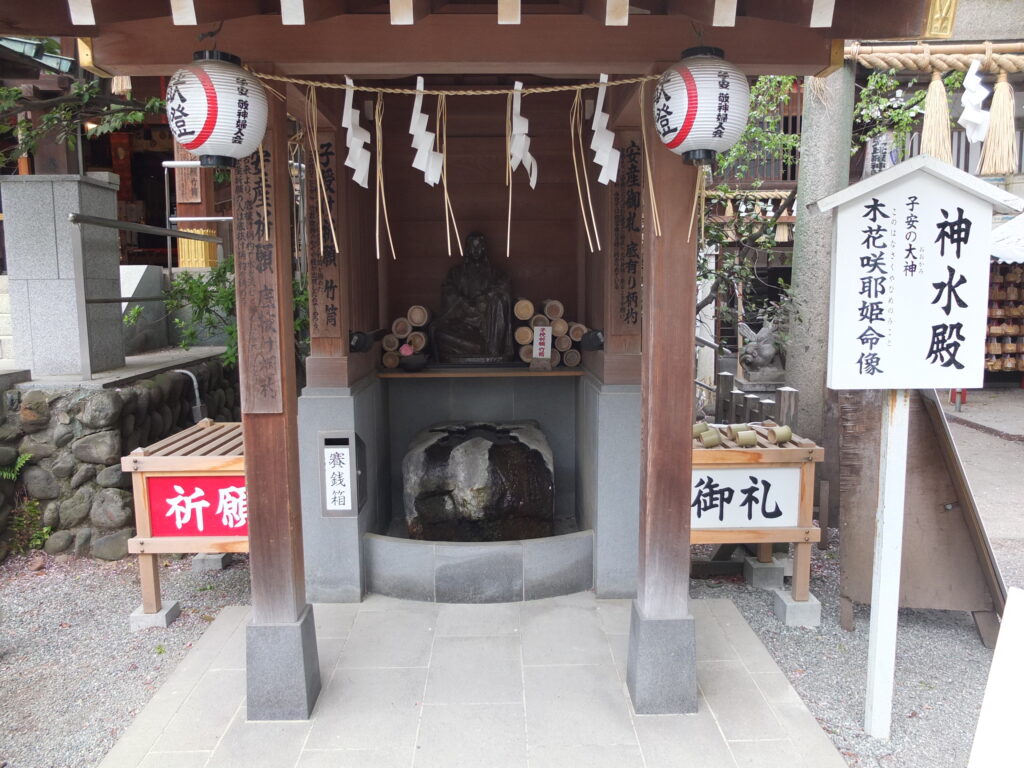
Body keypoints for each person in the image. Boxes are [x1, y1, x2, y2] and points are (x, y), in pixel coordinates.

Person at [432, 232, 514, 363]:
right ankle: (476, 348)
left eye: (479, 246)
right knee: (438, 334)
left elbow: (504, 285)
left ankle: (489, 347)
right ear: (467, 249)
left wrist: (485, 299)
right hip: (463, 323)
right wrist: (463, 304)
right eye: (472, 246)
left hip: (487, 325)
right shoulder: (456, 272)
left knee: (500, 299)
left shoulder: (494, 272)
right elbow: (448, 291)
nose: (476, 250)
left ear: (484, 249)